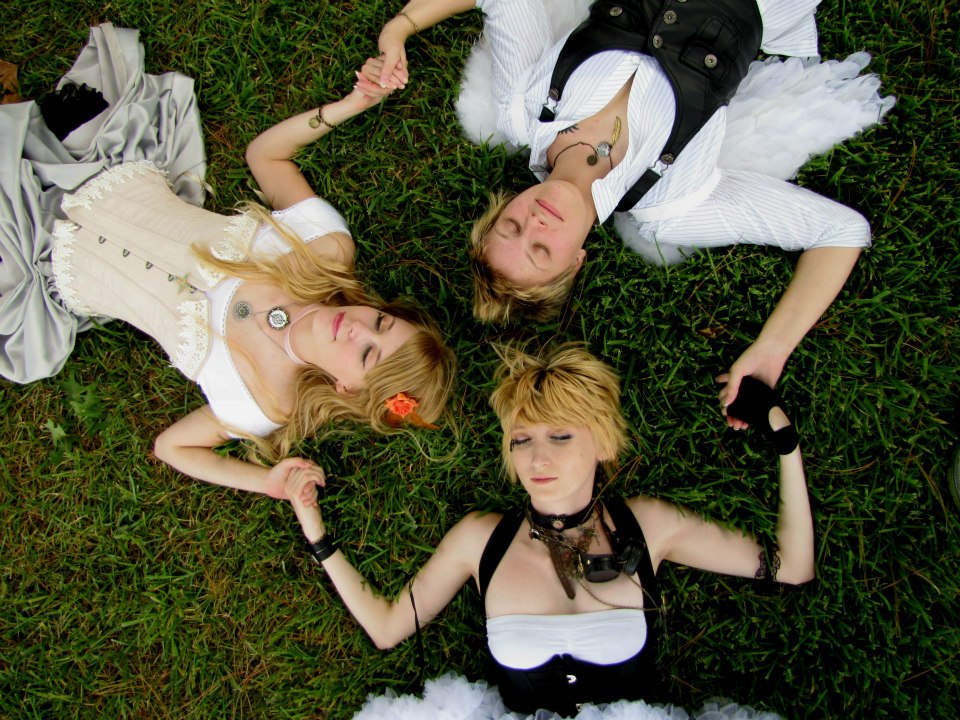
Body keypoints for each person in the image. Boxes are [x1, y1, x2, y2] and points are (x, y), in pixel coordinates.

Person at [358, 0, 894, 418]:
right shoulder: (672, 204)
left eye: (512, 225)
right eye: (541, 249)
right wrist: (770, 352)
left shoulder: (523, 109)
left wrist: (398, 30)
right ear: (575, 263)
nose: (535, 222)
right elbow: (840, 231)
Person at [1, 42, 456, 498]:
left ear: (348, 388)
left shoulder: (265, 402)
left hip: (42, 262)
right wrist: (352, 104)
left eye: (368, 355)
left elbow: (172, 447)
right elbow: (265, 156)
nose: (358, 329)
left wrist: (268, 483)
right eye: (381, 322)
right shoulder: (325, 250)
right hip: (106, 173)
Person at [285, 345, 813, 718]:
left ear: (602, 443)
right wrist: (316, 533)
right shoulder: (481, 541)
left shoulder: (648, 526)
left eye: (560, 436)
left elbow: (790, 567)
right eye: (521, 440)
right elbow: (386, 627)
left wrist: (785, 443)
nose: (537, 459)